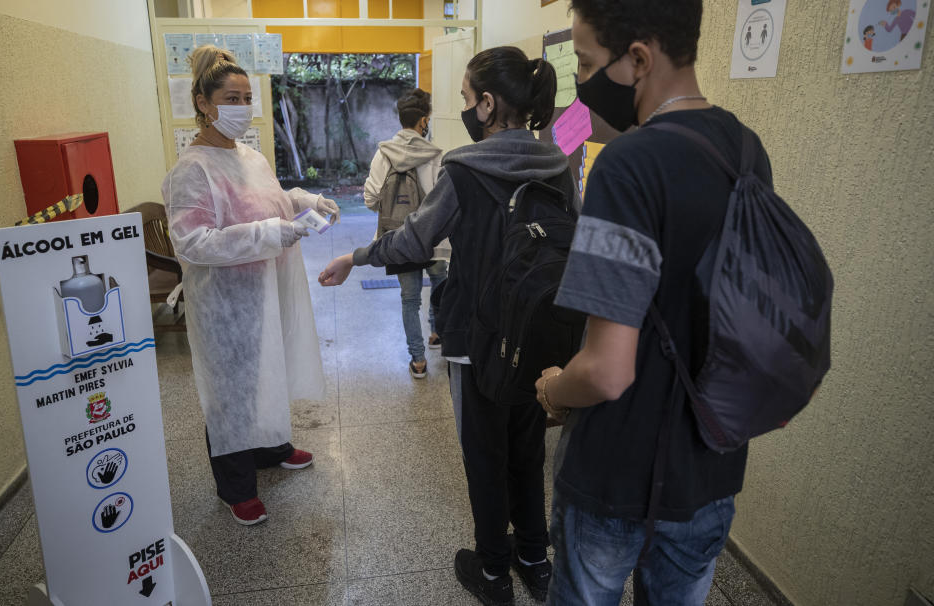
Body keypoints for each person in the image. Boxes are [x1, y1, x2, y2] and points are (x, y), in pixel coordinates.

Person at [320, 46, 578, 606]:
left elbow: (414, 240)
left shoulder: (466, 168)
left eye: (466, 98)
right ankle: (535, 559)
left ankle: (491, 572)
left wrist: (356, 257)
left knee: (484, 453)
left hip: (478, 337)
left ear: (487, 104)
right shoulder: (560, 166)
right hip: (539, 334)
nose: (464, 109)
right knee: (527, 450)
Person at [535, 1, 773, 603]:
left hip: (615, 478)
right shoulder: (746, 149)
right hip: (710, 472)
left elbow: (608, 371)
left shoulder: (627, 166)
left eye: (586, 63)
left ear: (637, 59)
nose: (582, 84)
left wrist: (553, 387)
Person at [161, 45, 340, 526]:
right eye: (231, 98)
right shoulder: (190, 171)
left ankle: (272, 446)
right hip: (225, 303)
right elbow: (193, 242)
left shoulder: (251, 156)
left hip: (265, 287)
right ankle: (235, 486)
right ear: (203, 102)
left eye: (246, 98)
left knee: (267, 369)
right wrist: (270, 234)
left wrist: (308, 200)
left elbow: (275, 199)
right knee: (230, 390)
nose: (242, 108)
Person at [363, 88, 448, 379]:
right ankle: (437, 332)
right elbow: (443, 199)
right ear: (423, 120)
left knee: (409, 298)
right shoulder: (435, 154)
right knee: (440, 282)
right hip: (434, 236)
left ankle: (418, 360)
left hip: (399, 238)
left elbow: (370, 198)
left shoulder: (383, 153)